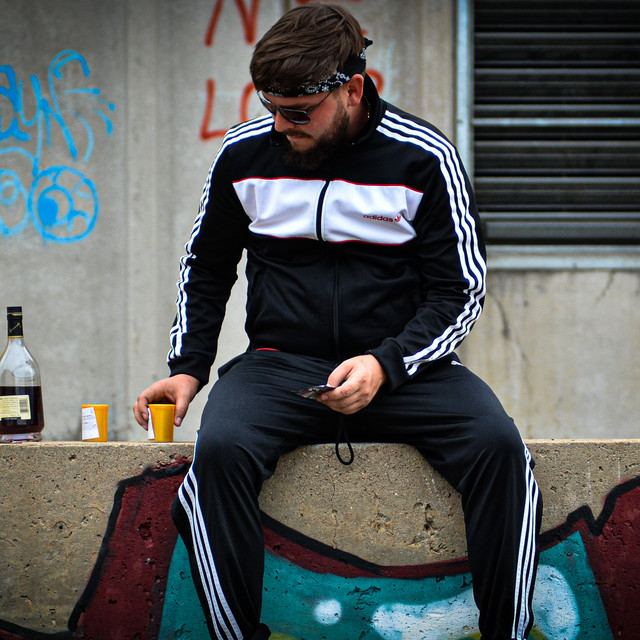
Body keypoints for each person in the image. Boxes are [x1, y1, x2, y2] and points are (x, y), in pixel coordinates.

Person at [133, 4, 542, 639]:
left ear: (352, 89)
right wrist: (188, 368)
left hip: (405, 368)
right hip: (280, 368)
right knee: (218, 452)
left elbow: (460, 290)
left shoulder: (424, 158)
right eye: (271, 106)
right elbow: (206, 267)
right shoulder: (243, 155)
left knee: (500, 450)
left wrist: (387, 363)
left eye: (299, 112)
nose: (281, 124)